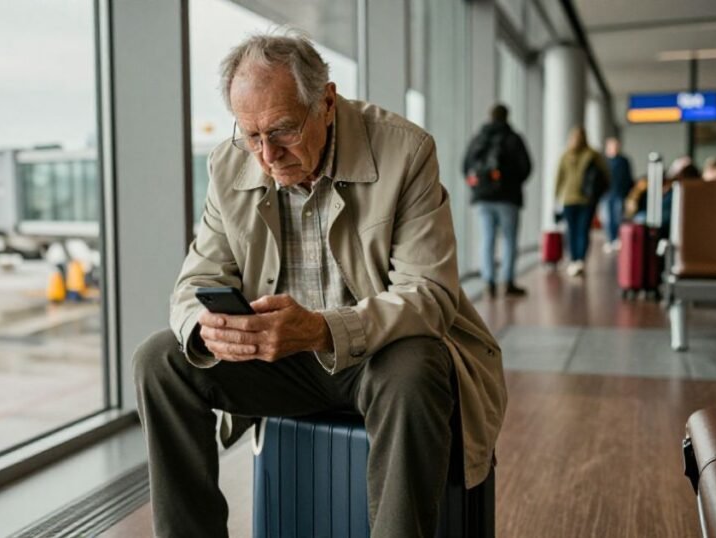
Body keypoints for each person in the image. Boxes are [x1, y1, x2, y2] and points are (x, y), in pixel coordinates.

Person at [132, 32, 506, 537]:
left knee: (417, 365)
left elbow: (429, 295)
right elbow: (196, 277)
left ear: (326, 103)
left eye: (283, 130)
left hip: (375, 355)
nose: (267, 155)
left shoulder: (406, 151)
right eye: (251, 135)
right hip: (280, 360)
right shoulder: (229, 163)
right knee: (160, 361)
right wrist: (205, 328)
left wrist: (322, 330)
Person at [462, 103, 532, 297]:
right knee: (509, 240)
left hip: (482, 198)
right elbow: (526, 167)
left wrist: (478, 186)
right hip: (508, 198)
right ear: (507, 116)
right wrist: (512, 183)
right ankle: (508, 282)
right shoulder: (514, 139)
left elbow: (465, 166)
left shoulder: (479, 138)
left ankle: (489, 282)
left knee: (487, 239)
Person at [554, 127, 609, 276]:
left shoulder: (573, 155)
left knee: (576, 231)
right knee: (579, 231)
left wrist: (556, 198)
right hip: (580, 200)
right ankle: (578, 260)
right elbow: (606, 176)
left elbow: (559, 179)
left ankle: (576, 260)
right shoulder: (590, 155)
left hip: (576, 199)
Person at [602, 137, 633, 253]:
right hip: (606, 194)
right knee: (607, 219)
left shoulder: (623, 161)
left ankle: (617, 239)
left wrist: (628, 193)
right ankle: (610, 240)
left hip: (619, 193)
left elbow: (628, 178)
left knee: (617, 217)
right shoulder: (604, 161)